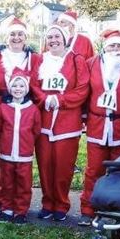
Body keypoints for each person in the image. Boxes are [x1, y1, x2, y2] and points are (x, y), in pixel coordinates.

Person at [0, 17, 39, 215]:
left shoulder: (34, 58)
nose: (16, 37)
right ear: (6, 37)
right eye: (12, 34)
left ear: (26, 37)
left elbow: (38, 84)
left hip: (25, 110)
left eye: (20, 34)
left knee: (21, 159)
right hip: (0, 109)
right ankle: (1, 199)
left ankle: (19, 202)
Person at [30, 24, 89, 221]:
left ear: (65, 39)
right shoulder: (39, 60)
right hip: (44, 120)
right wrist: (44, 99)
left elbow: (82, 89)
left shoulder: (76, 60)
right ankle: (48, 203)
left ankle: (61, 204)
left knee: (63, 166)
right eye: (50, 37)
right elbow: (33, 85)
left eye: (57, 36)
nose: (54, 40)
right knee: (45, 163)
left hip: (67, 122)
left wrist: (61, 100)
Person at [80, 29, 120, 225]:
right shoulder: (91, 64)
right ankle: (88, 209)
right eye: (112, 45)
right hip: (97, 125)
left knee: (119, 170)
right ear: (105, 47)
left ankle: (114, 210)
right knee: (94, 170)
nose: (116, 49)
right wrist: (83, 118)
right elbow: (84, 93)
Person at [0, 68, 41, 224]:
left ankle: (20, 211)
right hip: (6, 153)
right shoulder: (3, 108)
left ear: (26, 89)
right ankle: (7, 208)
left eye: (21, 86)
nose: (17, 89)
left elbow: (36, 130)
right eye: (14, 86)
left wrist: (28, 143)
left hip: (24, 154)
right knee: (6, 182)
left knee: (23, 183)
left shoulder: (33, 109)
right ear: (9, 88)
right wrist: (2, 144)